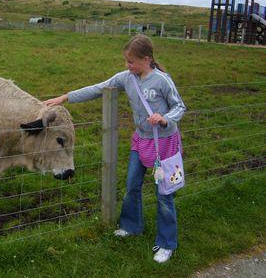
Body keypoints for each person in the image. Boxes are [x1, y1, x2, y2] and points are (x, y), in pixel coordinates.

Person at [44, 34, 186, 263]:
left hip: (164, 143)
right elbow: (98, 88)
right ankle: (131, 227)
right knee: (131, 186)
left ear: (147, 59)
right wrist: (65, 97)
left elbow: (180, 106)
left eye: (131, 61)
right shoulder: (126, 78)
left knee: (164, 195)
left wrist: (165, 118)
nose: (127, 66)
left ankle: (167, 243)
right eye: (126, 61)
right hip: (140, 140)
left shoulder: (162, 81)